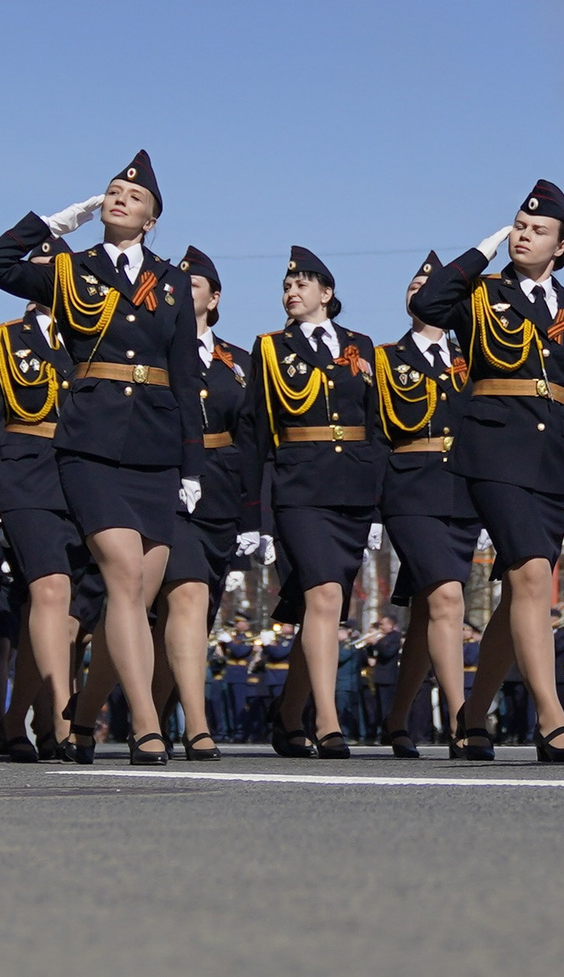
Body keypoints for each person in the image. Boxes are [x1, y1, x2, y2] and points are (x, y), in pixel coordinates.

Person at [0, 153, 201, 767]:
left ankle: (79, 716)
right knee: (123, 575)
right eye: (111, 190)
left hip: (155, 445)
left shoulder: (173, 282)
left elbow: (184, 377)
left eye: (134, 194)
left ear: (153, 218)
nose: (120, 197)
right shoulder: (71, 269)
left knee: (141, 591)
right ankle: (146, 726)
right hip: (90, 441)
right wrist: (51, 227)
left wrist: (192, 468)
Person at [411, 183, 564, 764]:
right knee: (533, 576)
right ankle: (551, 719)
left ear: (561, 247)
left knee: (521, 588)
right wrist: (476, 254)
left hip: (553, 458)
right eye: (518, 225)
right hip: (494, 451)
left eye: (538, 230)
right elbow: (427, 306)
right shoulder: (480, 292)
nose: (524, 234)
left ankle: (471, 717)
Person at [249, 246, 382, 759]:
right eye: (287, 286)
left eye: (303, 284)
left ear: (327, 293)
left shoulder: (362, 346)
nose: (292, 292)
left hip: (350, 488)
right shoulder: (269, 349)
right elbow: (258, 435)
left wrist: (376, 505)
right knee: (323, 597)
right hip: (298, 489)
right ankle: (327, 720)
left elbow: (375, 428)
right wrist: (256, 517)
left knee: (321, 610)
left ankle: (287, 715)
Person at [0, 243, 82, 761]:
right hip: (24, 474)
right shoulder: (4, 338)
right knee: (51, 590)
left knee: (70, 611)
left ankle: (18, 721)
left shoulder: (91, 333)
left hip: (83, 478)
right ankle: (63, 719)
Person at [146, 245, 251, 762]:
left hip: (223, 494)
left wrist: (257, 517)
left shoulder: (240, 362)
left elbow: (255, 442)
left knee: (193, 613)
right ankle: (198, 726)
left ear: (214, 298)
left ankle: (143, 710)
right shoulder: (156, 348)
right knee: (184, 597)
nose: (184, 296)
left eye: (194, 287)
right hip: (168, 487)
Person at [374, 252, 481, 758]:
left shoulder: (474, 357)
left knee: (426, 612)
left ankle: (397, 719)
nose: (424, 290)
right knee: (446, 600)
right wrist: (372, 511)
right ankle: (465, 722)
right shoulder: (383, 359)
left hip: (461, 491)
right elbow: (374, 437)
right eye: (418, 282)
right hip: (410, 490)